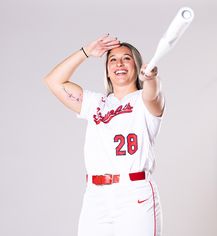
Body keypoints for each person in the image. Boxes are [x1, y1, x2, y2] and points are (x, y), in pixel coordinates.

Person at [43, 34, 165, 236]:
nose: (119, 63)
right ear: (107, 70)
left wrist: (151, 78)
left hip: (134, 194)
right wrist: (86, 52)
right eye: (113, 59)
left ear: (136, 66)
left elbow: (153, 93)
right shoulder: (95, 104)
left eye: (127, 58)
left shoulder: (144, 100)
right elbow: (53, 81)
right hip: (96, 196)